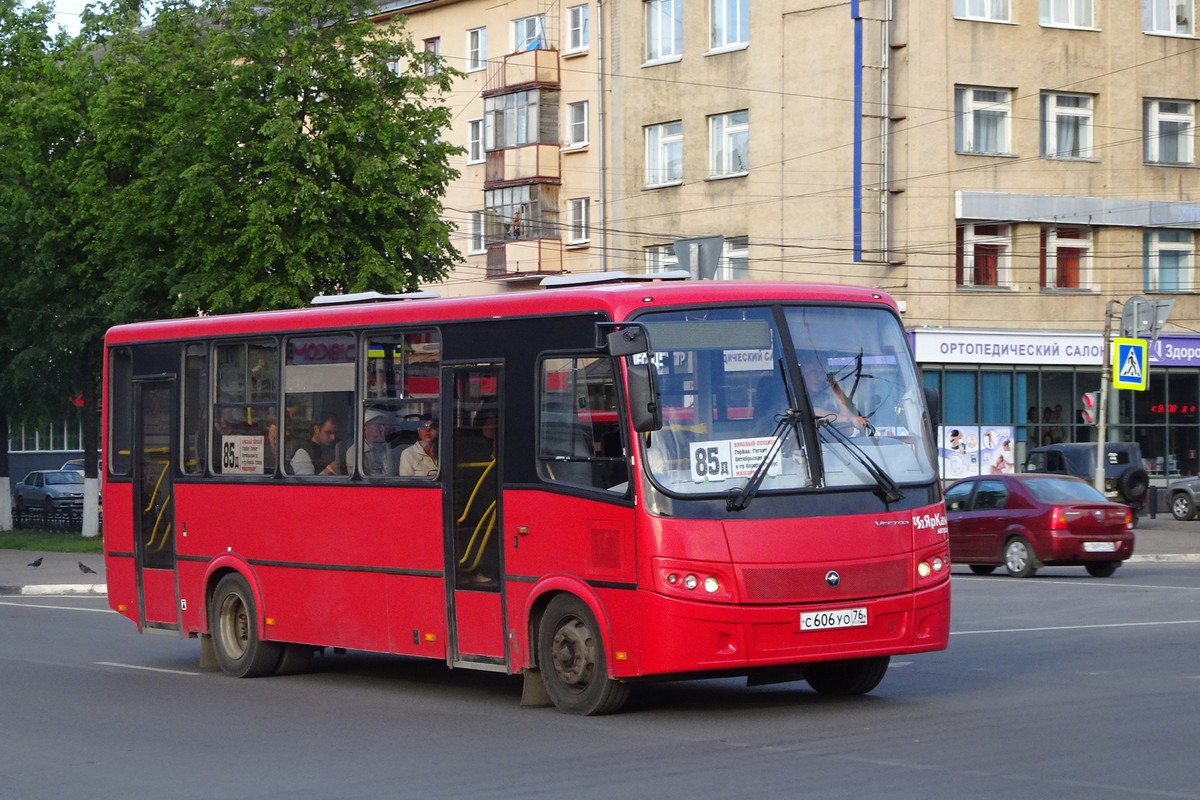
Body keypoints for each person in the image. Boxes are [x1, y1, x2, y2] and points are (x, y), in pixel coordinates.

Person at [799, 354, 869, 429]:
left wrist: (835, 390)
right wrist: (843, 419)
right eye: (812, 372)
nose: (818, 377)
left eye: (821, 372)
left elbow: (847, 422)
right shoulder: (793, 396)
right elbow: (809, 412)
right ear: (802, 374)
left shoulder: (824, 399)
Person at [346, 408, 398, 476]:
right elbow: (358, 480)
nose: (384, 429)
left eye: (385, 425)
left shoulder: (394, 448)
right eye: (379, 425)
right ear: (365, 429)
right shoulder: (355, 452)